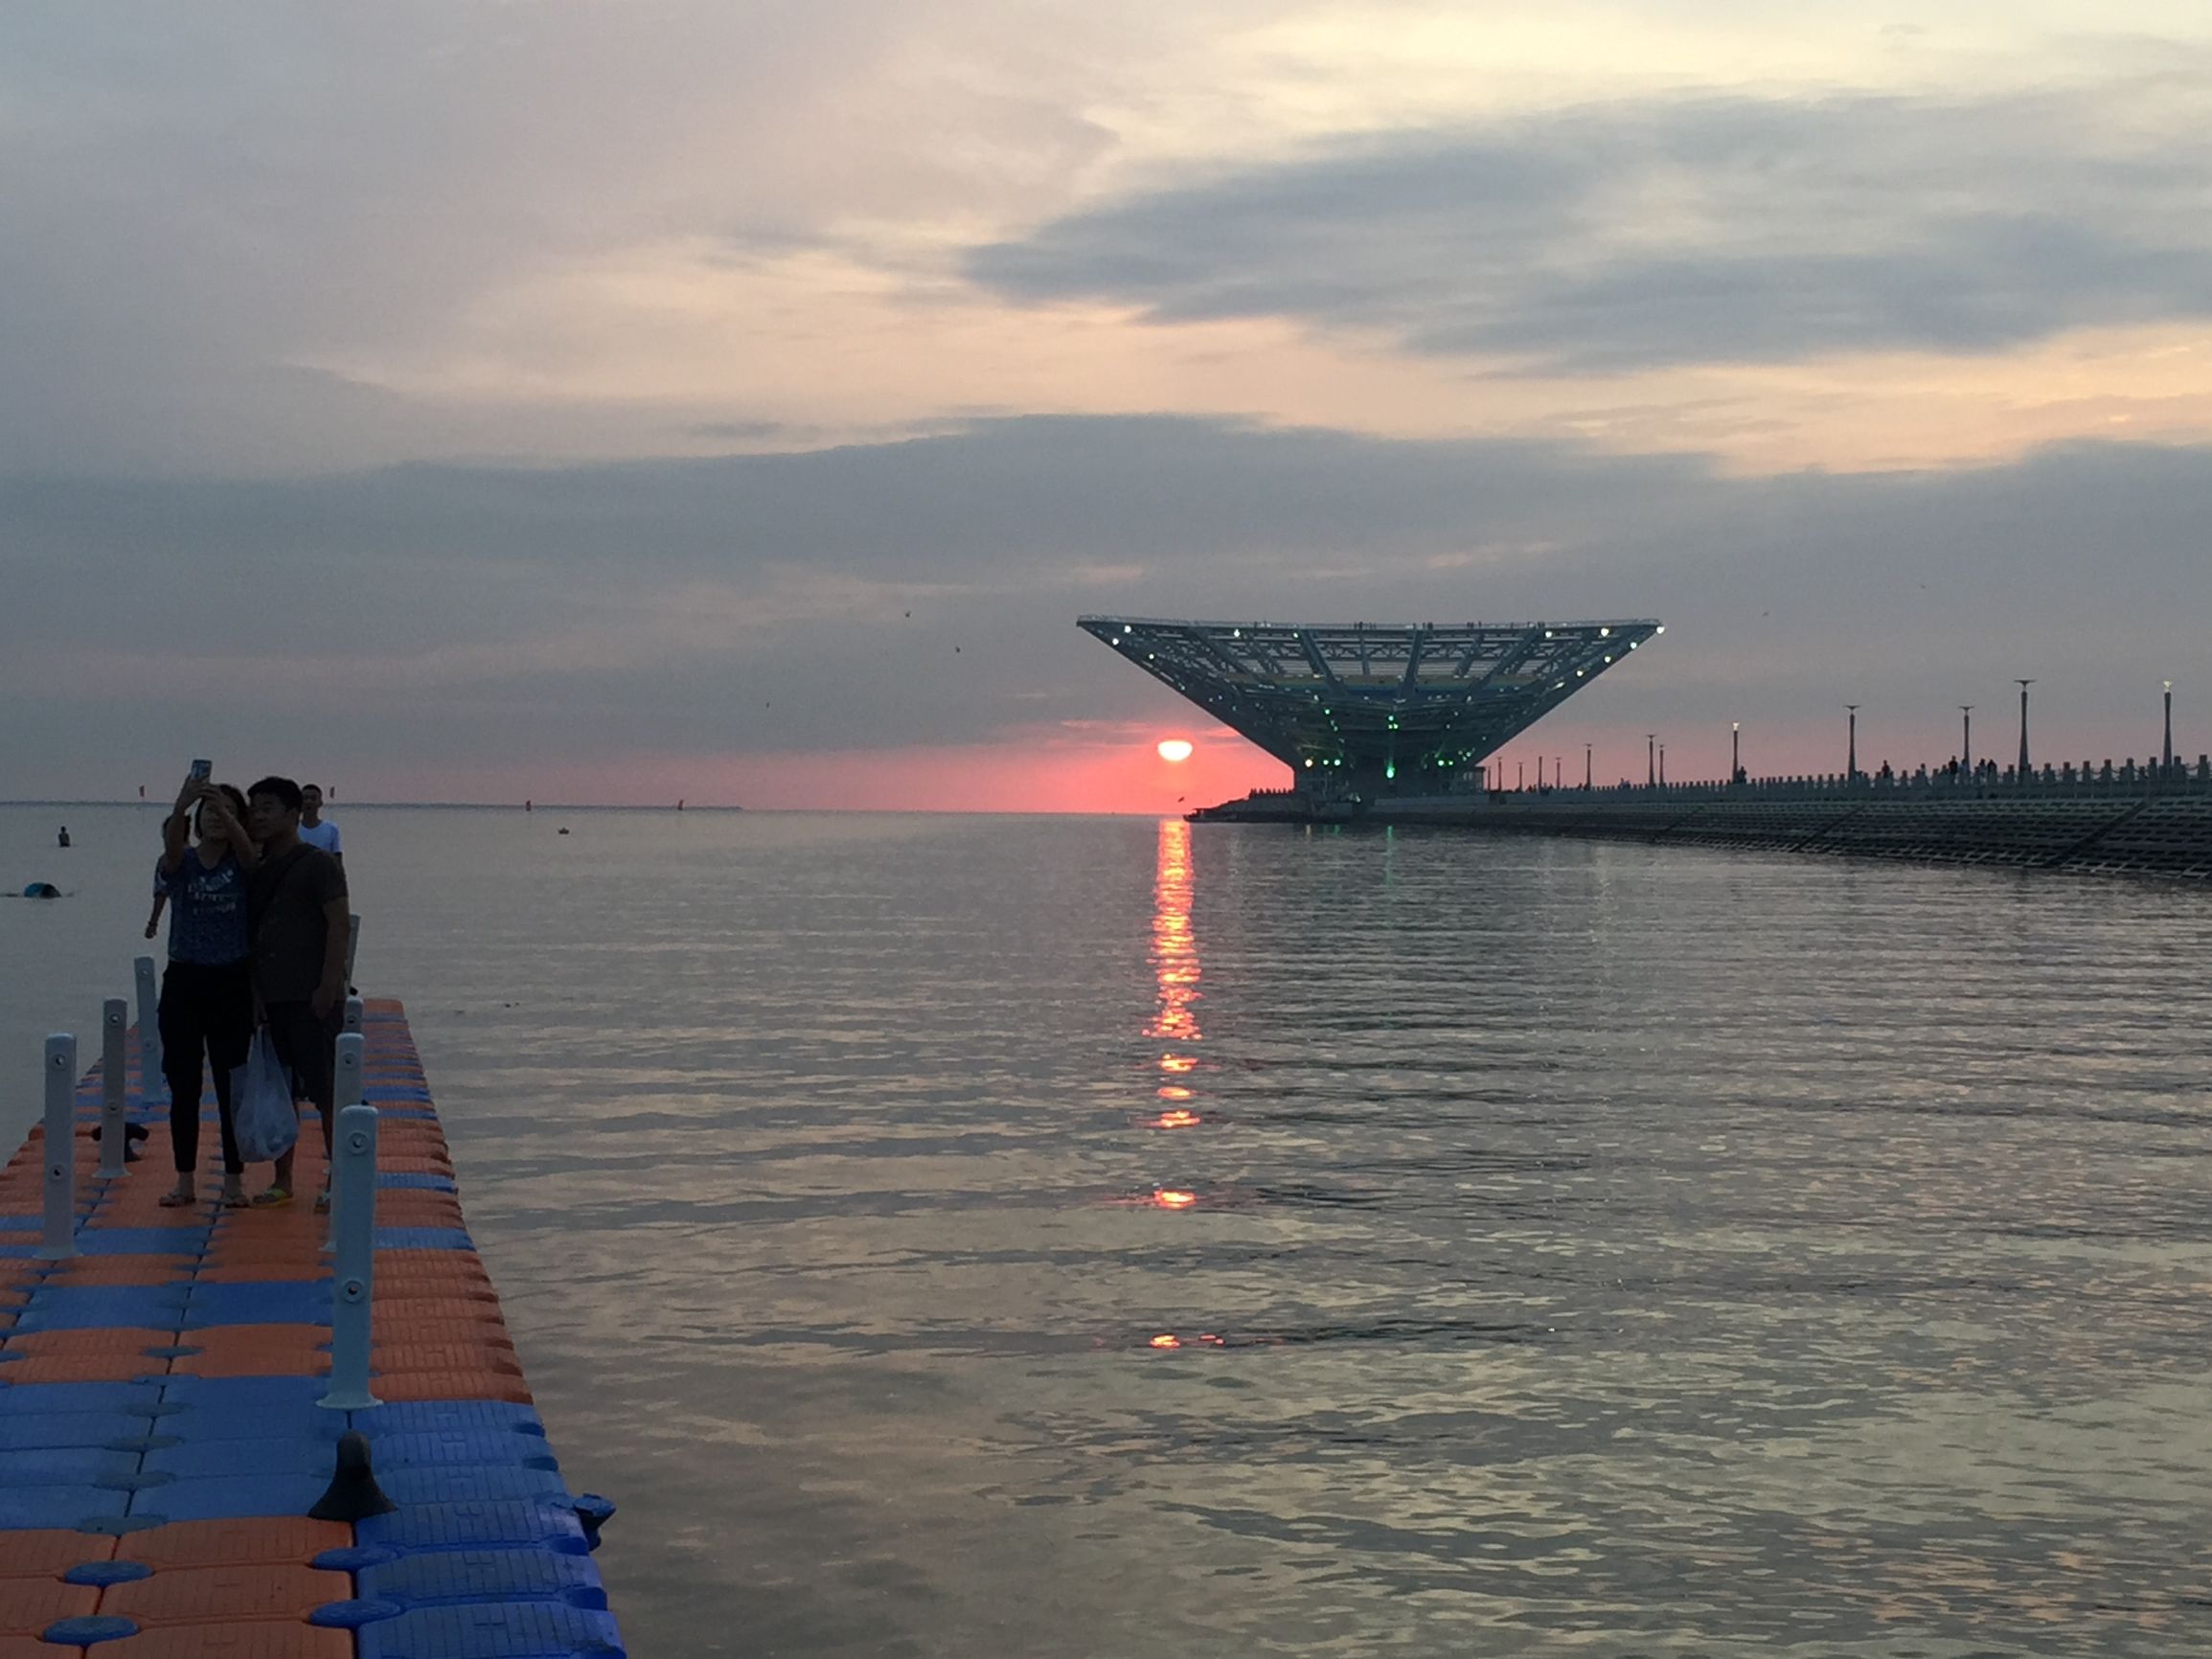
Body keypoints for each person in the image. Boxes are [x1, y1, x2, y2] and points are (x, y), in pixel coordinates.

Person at [244, 775, 350, 1211]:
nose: (258, 816)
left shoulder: (319, 864)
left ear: (293, 814)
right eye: (254, 808)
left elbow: (339, 925)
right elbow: (251, 934)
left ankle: (339, 1179)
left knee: (327, 1093)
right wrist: (254, 994)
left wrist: (328, 986)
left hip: (313, 995)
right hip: (272, 996)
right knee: (281, 1093)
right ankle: (282, 1179)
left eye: (268, 807)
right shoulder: (255, 866)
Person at [153, 776, 258, 1209]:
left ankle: (234, 1179)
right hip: (185, 981)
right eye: (210, 811)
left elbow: (251, 861)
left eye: (228, 810)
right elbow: (173, 853)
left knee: (230, 1082)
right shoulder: (183, 863)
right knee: (184, 1085)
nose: (218, 817)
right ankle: (185, 1179)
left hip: (230, 981)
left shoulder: (245, 864)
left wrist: (232, 818)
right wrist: (182, 805)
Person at [298, 784, 343, 863]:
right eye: (305, 798)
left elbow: (337, 858)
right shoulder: (292, 828)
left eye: (313, 798)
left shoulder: (331, 829)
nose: (309, 802)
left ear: (320, 802)